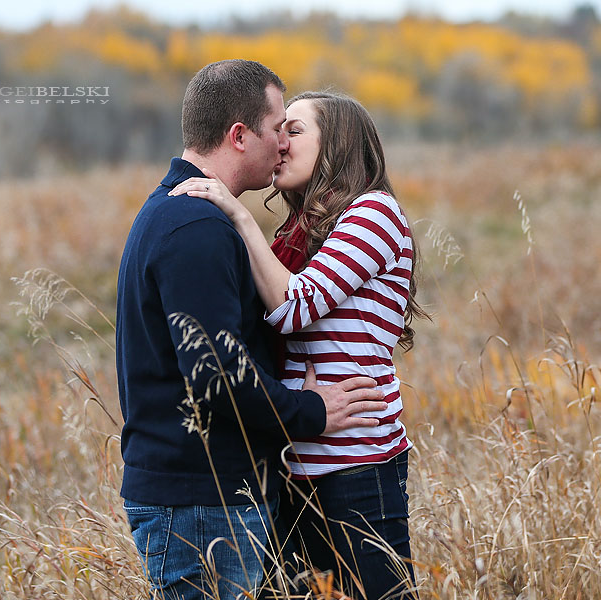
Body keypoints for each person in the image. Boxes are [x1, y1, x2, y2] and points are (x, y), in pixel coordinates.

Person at [115, 62, 388, 600]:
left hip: (205, 495)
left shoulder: (181, 214)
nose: (283, 143)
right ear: (240, 136)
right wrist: (311, 411)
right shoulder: (195, 226)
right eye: (277, 127)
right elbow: (219, 376)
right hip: (202, 501)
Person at [169, 91, 425, 600]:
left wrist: (238, 216)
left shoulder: (374, 212)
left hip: (355, 465)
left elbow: (294, 306)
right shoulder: (302, 231)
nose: (281, 143)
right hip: (298, 464)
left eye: (295, 130)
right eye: (279, 129)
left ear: (338, 144)